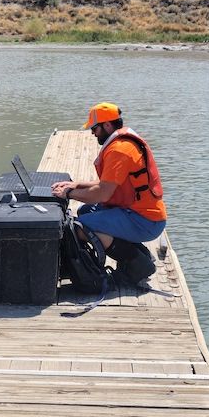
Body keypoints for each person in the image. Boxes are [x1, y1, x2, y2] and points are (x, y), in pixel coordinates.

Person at [52, 102, 166, 283]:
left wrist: (68, 194)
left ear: (107, 125)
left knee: (80, 228)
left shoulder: (119, 150)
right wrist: (76, 185)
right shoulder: (122, 142)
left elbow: (102, 194)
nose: (92, 132)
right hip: (138, 212)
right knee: (85, 211)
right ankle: (140, 253)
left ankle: (137, 264)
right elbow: (108, 183)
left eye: (95, 128)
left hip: (144, 220)